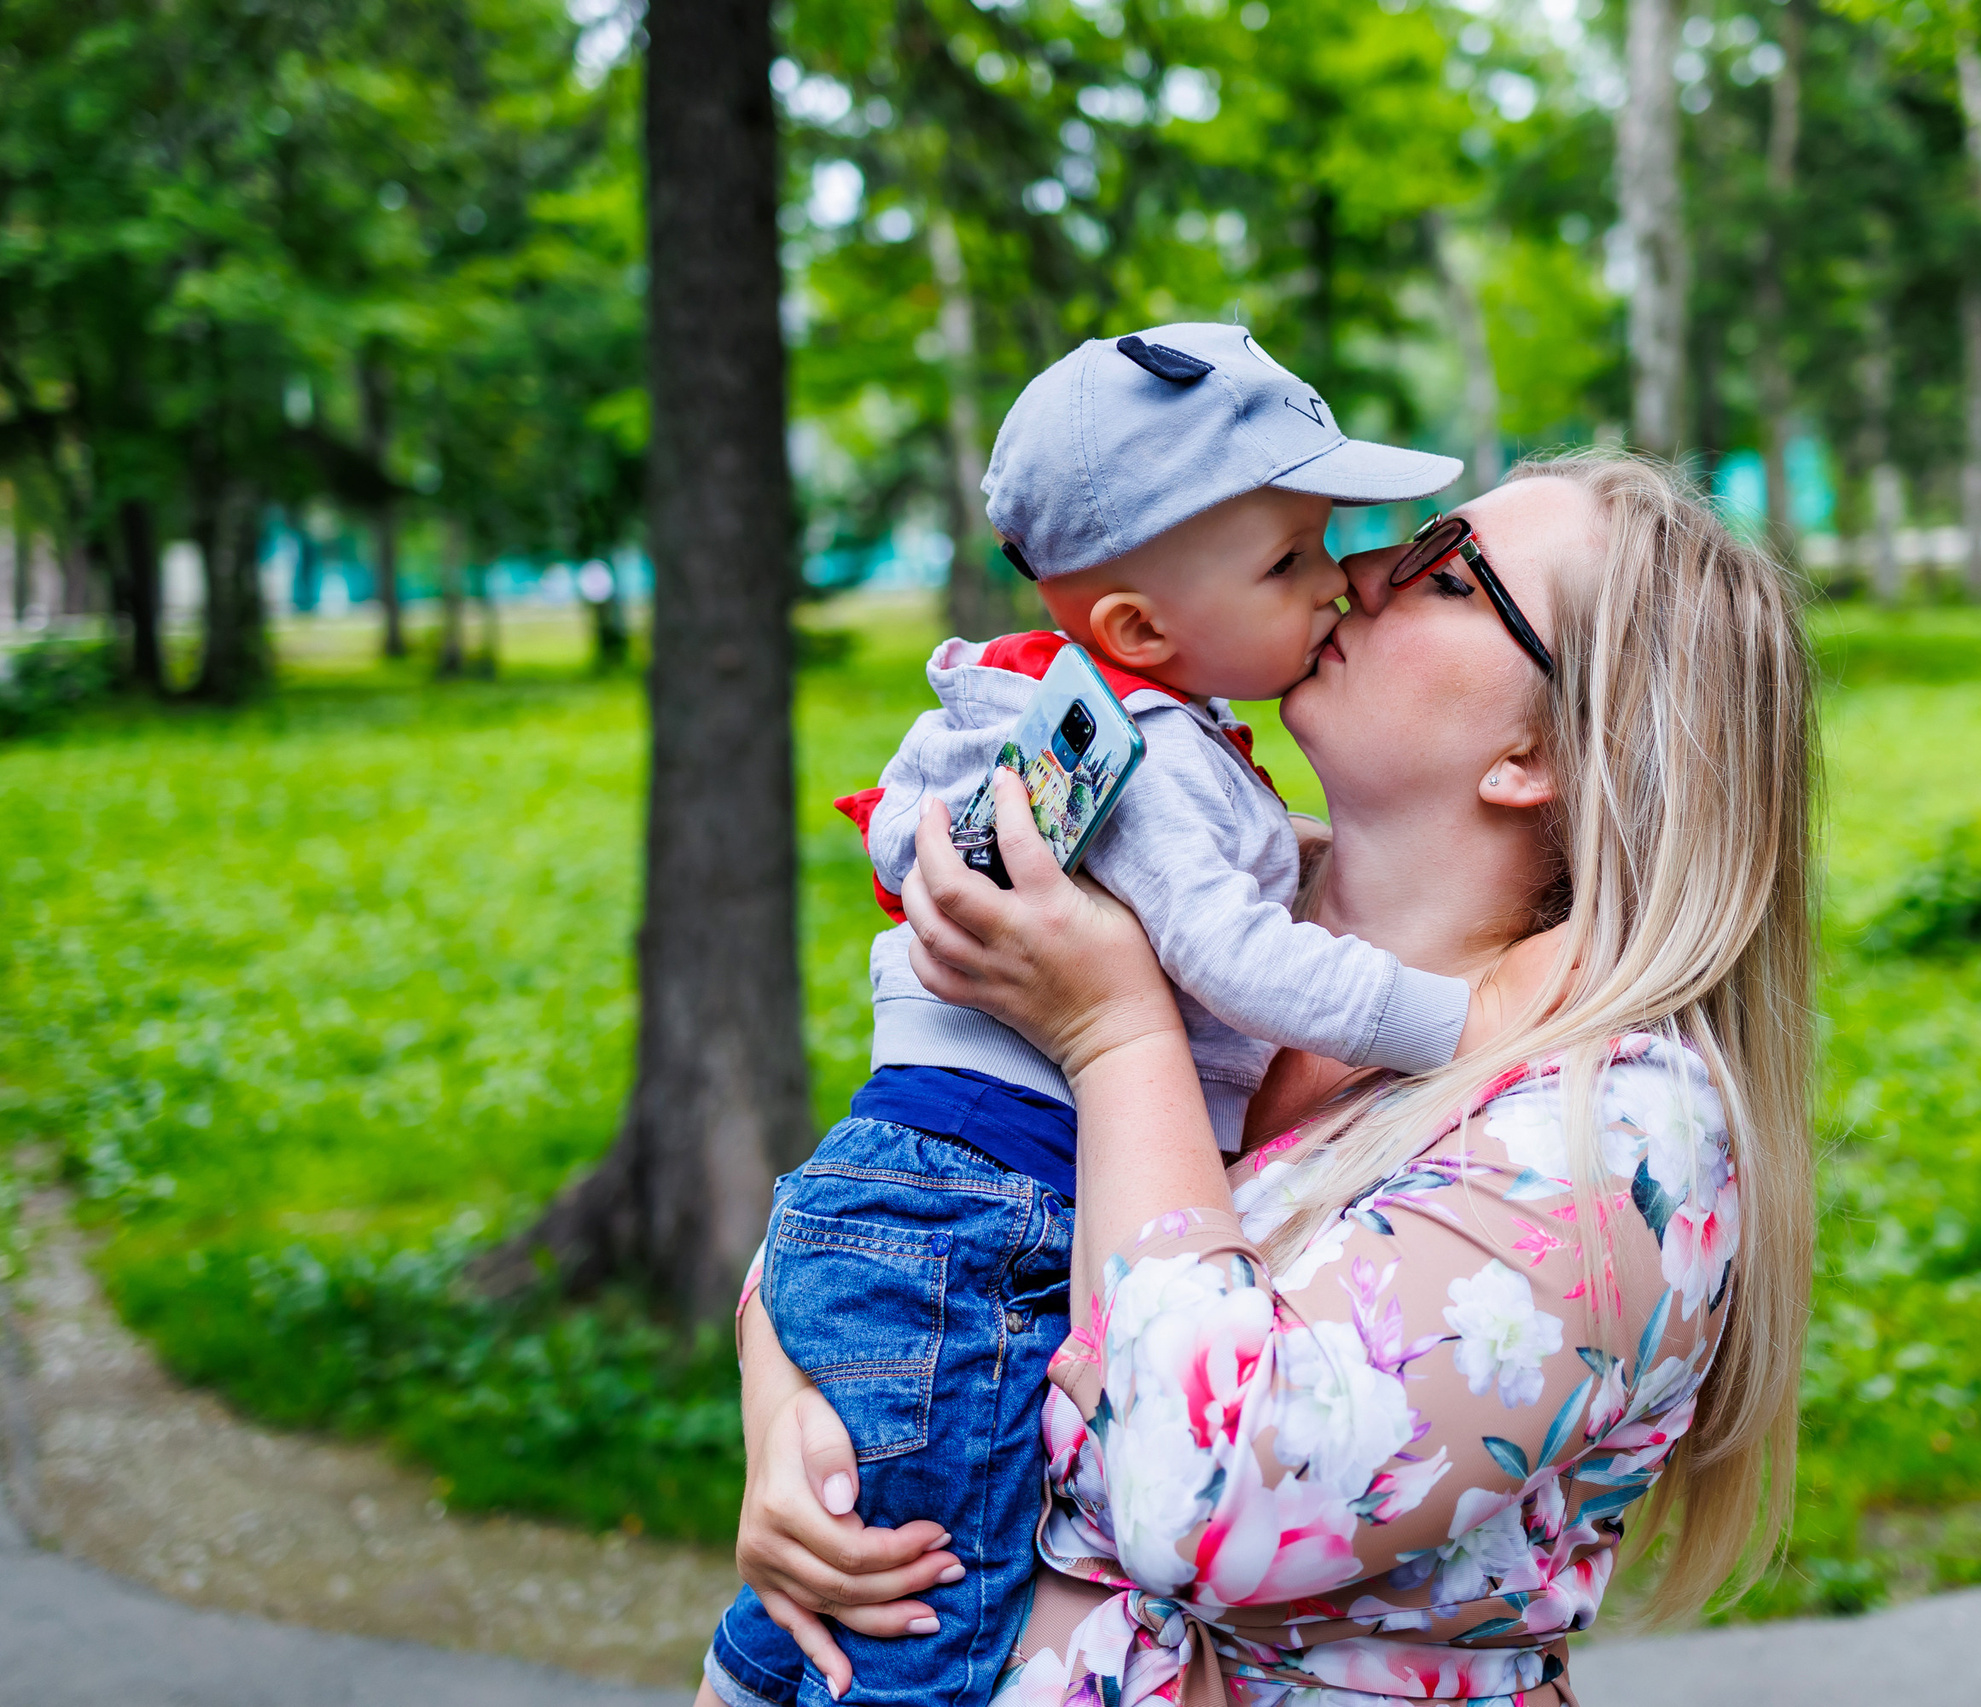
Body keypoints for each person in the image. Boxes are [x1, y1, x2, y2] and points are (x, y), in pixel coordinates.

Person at [707, 452, 1816, 1707]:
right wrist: (791, 1415)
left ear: (1540, 752)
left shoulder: (1619, 1122)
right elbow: (914, 1189)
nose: (1353, 572)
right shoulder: (1205, 937)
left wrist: (1118, 1045)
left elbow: (1214, 1494)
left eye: (1442, 576)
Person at [710, 324, 1507, 1707]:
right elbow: (1241, 959)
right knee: (922, 1614)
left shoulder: (1062, 711)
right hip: (995, 1201)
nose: (1342, 580)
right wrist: (1466, 1018)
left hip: (916, 1191)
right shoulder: (1145, 768)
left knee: (859, 1572)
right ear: (1141, 626)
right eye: (1293, 559)